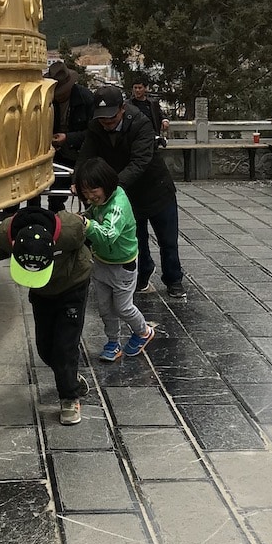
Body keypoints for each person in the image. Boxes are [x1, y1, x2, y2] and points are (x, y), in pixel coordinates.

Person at [74, 85, 184, 297]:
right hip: (126, 193)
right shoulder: (96, 127)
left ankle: (173, 279)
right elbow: (85, 155)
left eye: (111, 117)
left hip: (156, 189)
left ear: (122, 109)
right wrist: (78, 180)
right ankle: (142, 275)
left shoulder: (140, 123)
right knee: (136, 238)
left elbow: (140, 162)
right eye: (102, 118)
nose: (107, 122)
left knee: (167, 240)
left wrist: (110, 186)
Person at [0, 204, 92, 425]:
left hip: (73, 285)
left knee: (65, 347)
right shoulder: (4, 234)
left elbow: (88, 231)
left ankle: (69, 397)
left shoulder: (70, 229)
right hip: (41, 290)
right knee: (45, 348)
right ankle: (70, 378)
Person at [77, 157, 156, 362]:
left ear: (106, 184)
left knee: (123, 307)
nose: (90, 197)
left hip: (123, 266)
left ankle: (143, 331)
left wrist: (87, 224)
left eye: (93, 191)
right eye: (84, 192)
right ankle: (113, 342)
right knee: (105, 308)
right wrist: (84, 216)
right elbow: (93, 213)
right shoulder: (100, 201)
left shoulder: (117, 205)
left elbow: (108, 234)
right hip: (102, 261)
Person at [48, 59, 93, 209]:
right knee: (55, 197)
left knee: (88, 196)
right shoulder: (48, 101)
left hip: (81, 154)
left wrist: (68, 138)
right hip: (57, 156)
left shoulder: (85, 98)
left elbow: (93, 132)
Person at [129, 73, 168, 146]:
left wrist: (164, 120)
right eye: (135, 88)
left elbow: (161, 114)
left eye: (140, 88)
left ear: (145, 88)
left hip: (150, 135)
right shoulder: (128, 104)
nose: (137, 90)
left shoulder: (152, 103)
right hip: (134, 136)